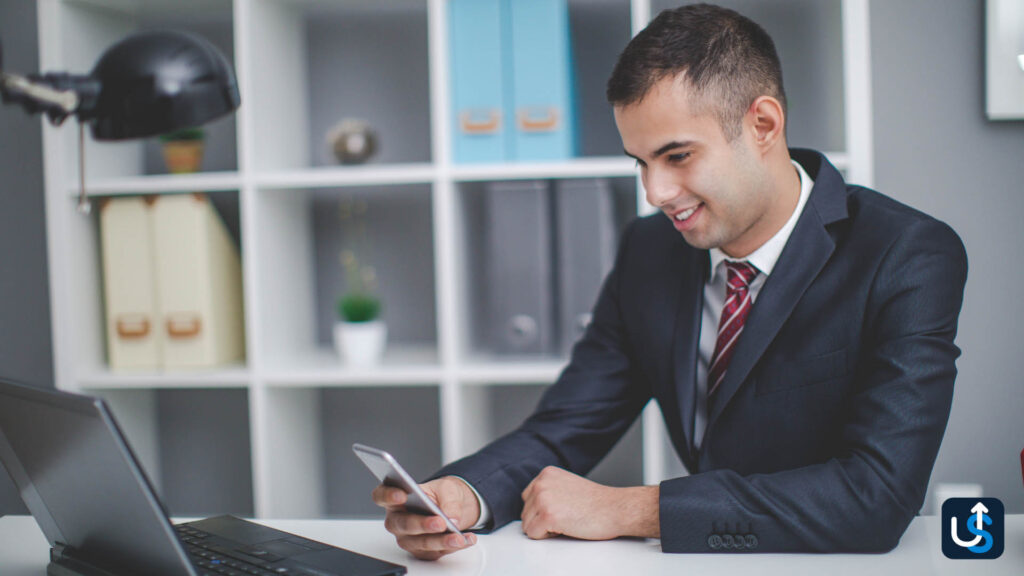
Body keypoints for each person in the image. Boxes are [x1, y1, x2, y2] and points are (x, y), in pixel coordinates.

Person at [372, 2, 967, 557]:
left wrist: (635, 509)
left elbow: (877, 496)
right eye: (641, 162)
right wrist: (462, 495)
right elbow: (567, 427)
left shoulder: (908, 254)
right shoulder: (649, 251)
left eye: (677, 156)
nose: (654, 193)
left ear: (762, 123)